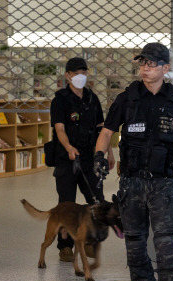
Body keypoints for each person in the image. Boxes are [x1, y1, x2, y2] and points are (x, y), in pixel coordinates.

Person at [94, 42, 173, 281]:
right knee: (135, 246)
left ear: (166, 68)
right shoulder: (127, 98)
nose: (145, 69)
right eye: (142, 64)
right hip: (131, 183)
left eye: (151, 64)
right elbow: (106, 132)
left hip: (163, 184)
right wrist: (99, 156)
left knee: (166, 248)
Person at [50, 57, 114, 262]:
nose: (81, 76)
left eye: (84, 73)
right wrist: (68, 147)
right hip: (66, 158)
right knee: (67, 205)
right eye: (76, 73)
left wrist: (108, 152)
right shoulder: (59, 100)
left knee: (96, 201)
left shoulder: (92, 99)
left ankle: (89, 241)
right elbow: (59, 128)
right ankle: (65, 246)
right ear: (67, 75)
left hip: (89, 158)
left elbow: (102, 128)